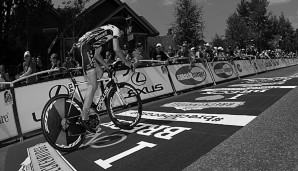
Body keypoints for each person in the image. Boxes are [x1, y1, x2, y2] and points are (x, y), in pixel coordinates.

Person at [70, 16, 132, 133]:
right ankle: (84, 117)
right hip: (84, 48)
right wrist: (127, 62)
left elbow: (97, 55)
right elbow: (116, 49)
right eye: (126, 28)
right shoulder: (115, 29)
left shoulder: (105, 31)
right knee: (93, 85)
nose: (125, 31)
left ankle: (90, 104)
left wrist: (107, 65)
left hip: (81, 47)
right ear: (122, 26)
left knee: (99, 72)